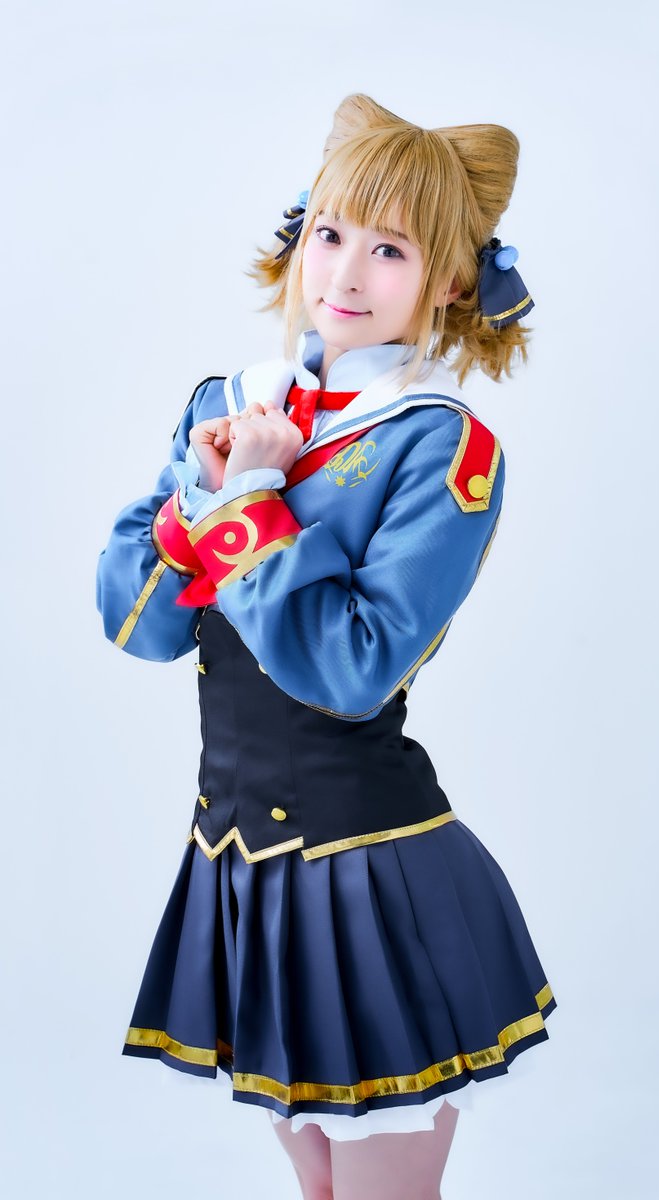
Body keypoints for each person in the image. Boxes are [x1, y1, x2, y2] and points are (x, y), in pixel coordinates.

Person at [96, 92, 557, 1200]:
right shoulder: (229, 403)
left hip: (370, 880)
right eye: (331, 233)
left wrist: (250, 501)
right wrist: (203, 496)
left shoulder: (439, 446)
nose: (346, 272)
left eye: (390, 249)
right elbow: (140, 626)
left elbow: (349, 670)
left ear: (450, 282)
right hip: (237, 870)